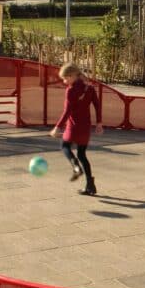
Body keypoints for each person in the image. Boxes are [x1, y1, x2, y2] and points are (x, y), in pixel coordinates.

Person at [50, 63, 103, 195]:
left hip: (74, 126)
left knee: (64, 146)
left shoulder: (71, 90)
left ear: (74, 75)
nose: (64, 81)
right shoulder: (89, 88)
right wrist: (99, 123)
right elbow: (97, 105)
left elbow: (67, 111)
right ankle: (90, 185)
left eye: (66, 78)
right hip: (85, 126)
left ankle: (76, 168)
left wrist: (57, 127)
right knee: (82, 154)